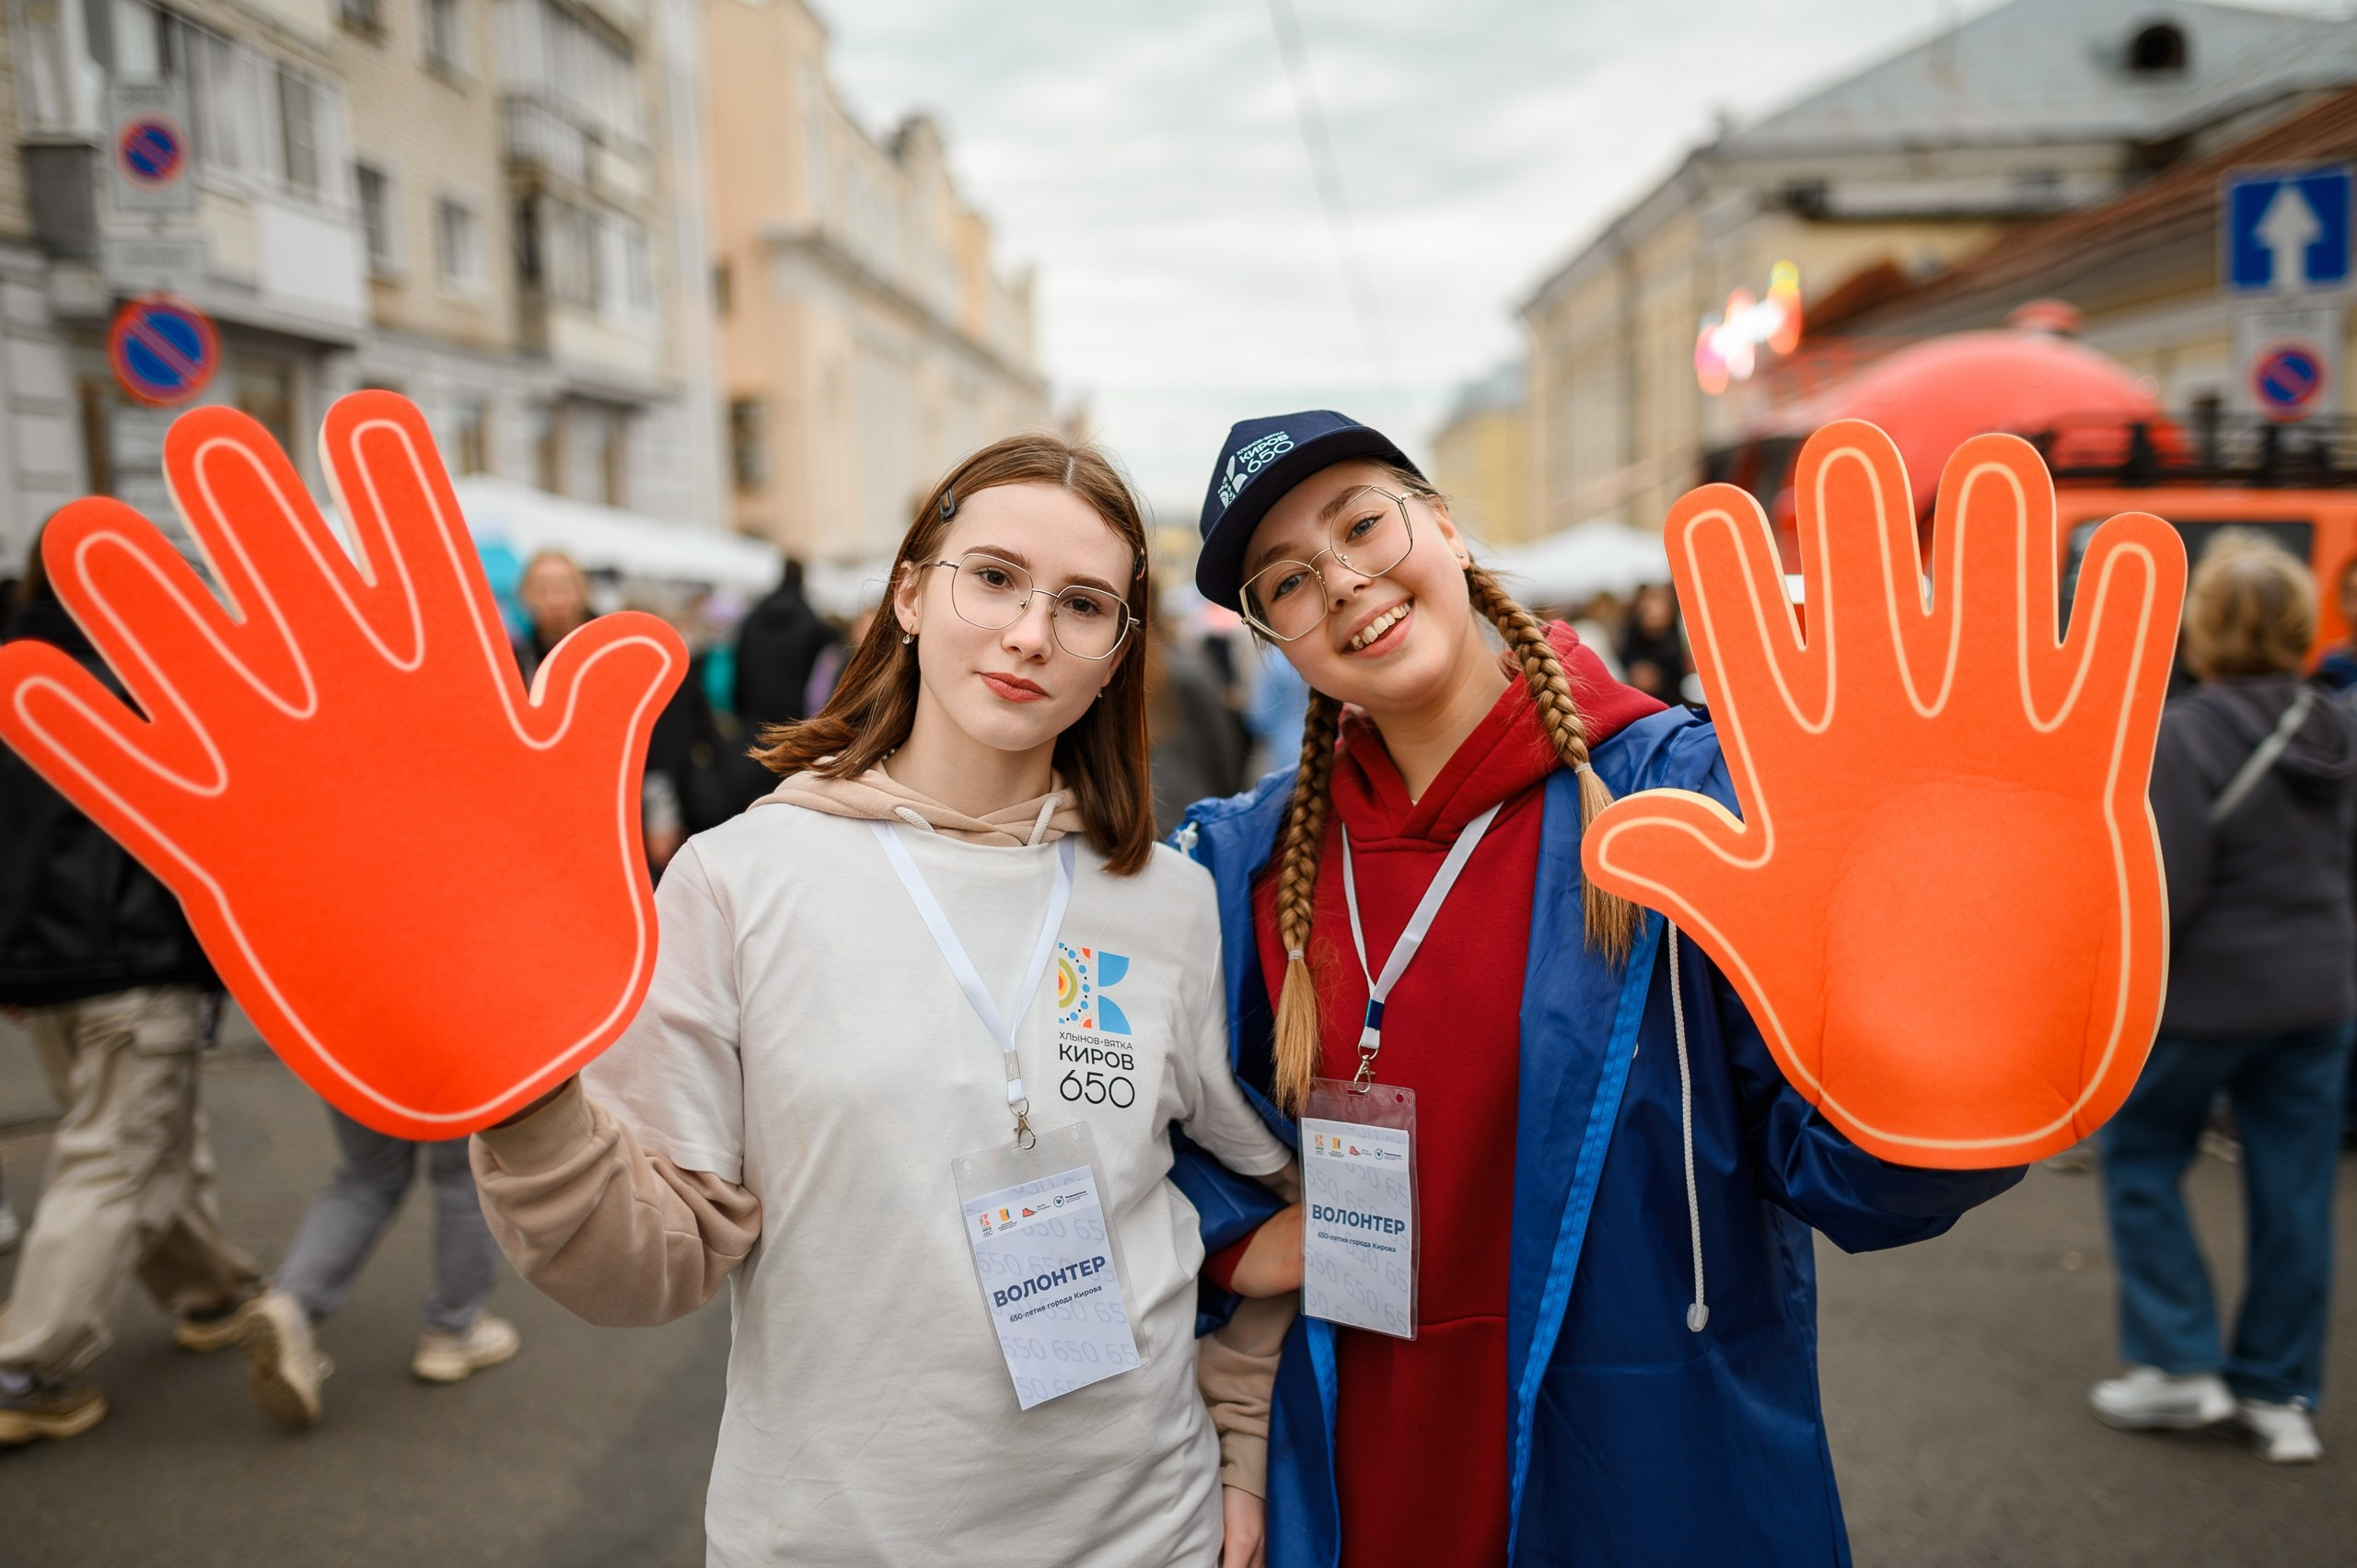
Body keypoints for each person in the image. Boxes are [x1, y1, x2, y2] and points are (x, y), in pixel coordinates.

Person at [1170, 412, 2023, 1567]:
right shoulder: (1246, 864)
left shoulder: (1688, 804)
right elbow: (1140, 1118)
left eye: (1362, 524)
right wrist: (1235, 1236)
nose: (1343, 581)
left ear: (1443, 524)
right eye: (1288, 581)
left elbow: (1840, 1164)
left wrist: (1967, 1052)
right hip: (1358, 1480)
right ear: (1279, 640)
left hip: (1641, 1471)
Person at [470, 433, 1293, 1567]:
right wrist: (518, 1096)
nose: (1030, 633)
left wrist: (1241, 1438)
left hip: (1148, 1530)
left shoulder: (1169, 899)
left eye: (1083, 604)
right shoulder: (738, 879)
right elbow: (644, 1264)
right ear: (909, 592)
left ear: (1116, 654)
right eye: (993, 576)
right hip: (834, 1535)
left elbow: (1259, 1196)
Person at [2092, 531, 2357, 1465]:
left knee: (2140, 1156)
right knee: (2295, 1192)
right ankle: (2278, 1390)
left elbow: (2168, 883)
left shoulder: (2181, 732)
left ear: (2199, 630)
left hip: (2202, 1001)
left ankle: (2180, 1361)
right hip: (2317, 995)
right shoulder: (2340, 726)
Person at [0, 531, 261, 1444]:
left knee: (147, 1134)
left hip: (46, 967)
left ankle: (211, 1288)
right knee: (115, 1153)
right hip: (136, 959)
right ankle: (27, 1365)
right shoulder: (149, 673)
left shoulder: (15, 668)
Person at [237, 1113, 521, 1428]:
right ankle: (453, 1330)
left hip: (361, 1078)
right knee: (464, 1178)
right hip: (454, 1079)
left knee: (366, 1178)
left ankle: (292, 1304)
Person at [1613, 580, 1689, 704]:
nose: (1653, 620)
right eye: (1648, 614)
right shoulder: (1631, 637)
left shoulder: (1679, 636)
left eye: (1658, 616)